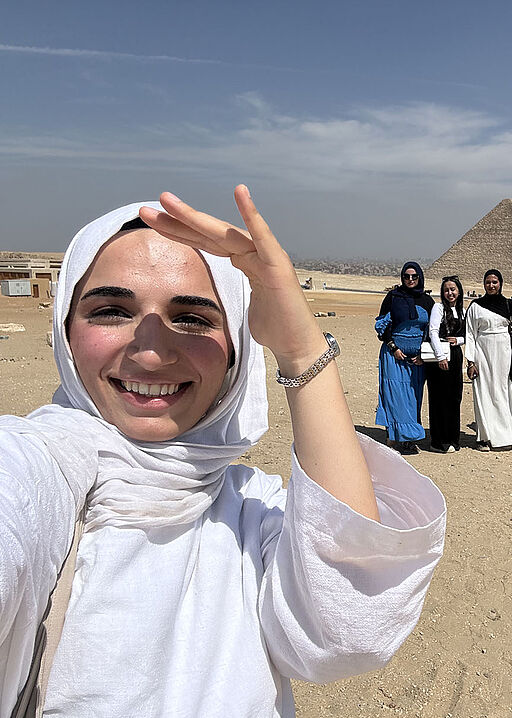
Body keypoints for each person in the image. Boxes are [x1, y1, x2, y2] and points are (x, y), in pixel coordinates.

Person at [0, 189, 446, 717]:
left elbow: (348, 627)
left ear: (236, 350)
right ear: (66, 331)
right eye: (112, 311)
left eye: (191, 318)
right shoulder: (34, 468)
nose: (149, 352)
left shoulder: (254, 513)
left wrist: (301, 349)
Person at [464, 270, 512, 451]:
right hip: (482, 353)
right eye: (488, 282)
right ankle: (484, 437)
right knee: (483, 393)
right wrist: (471, 362)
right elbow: (470, 334)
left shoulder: (511, 306)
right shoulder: (476, 306)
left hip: (504, 354)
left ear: (500, 283)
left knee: (502, 392)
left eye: (494, 282)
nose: (491, 285)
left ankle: (504, 435)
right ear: (483, 284)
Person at [375, 261, 434, 454]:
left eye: (414, 276)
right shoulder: (393, 297)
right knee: (394, 395)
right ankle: (393, 436)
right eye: (407, 276)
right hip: (394, 356)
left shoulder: (427, 301)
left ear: (420, 277)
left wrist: (423, 355)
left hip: (417, 360)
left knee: (413, 398)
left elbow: (432, 331)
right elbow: (381, 325)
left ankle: (409, 438)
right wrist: (393, 348)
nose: (410, 280)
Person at [425, 275, 466, 453]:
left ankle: (452, 439)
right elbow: (433, 332)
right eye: (446, 290)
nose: (450, 293)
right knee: (439, 398)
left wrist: (459, 339)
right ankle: (439, 441)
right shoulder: (438, 307)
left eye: (453, 289)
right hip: (440, 357)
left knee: (454, 397)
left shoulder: (462, 310)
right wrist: (441, 357)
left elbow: (469, 334)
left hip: (456, 356)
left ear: (459, 291)